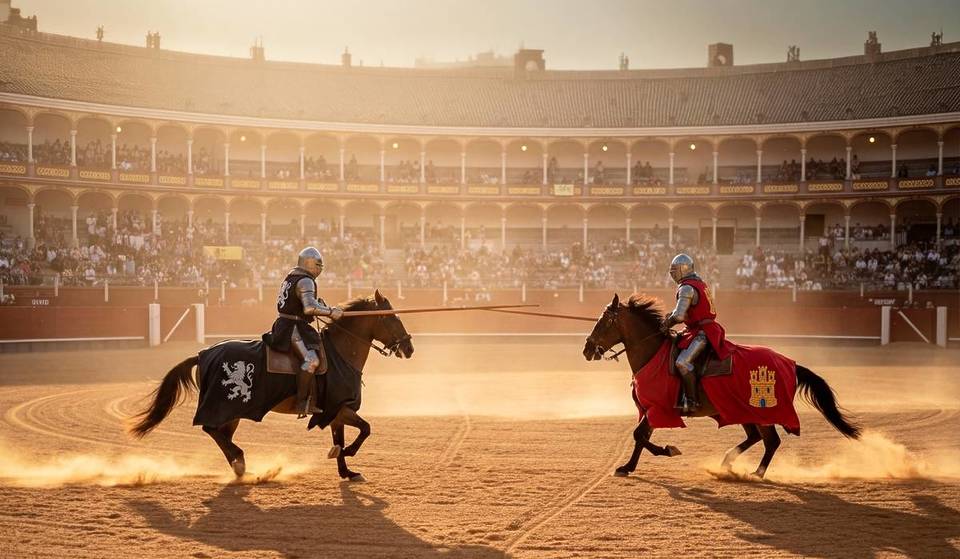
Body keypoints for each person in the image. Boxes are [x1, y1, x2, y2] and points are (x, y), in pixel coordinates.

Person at [268, 247, 344, 418]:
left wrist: (322, 306)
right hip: (293, 327)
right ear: (309, 263)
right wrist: (331, 312)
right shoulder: (305, 280)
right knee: (311, 360)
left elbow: (305, 304)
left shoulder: (292, 277)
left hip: (287, 323)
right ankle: (302, 402)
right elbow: (309, 308)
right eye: (318, 265)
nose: (320, 269)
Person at [660, 253, 729, 413]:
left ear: (683, 269)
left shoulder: (687, 287)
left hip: (703, 333)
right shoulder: (699, 283)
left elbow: (679, 315)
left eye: (675, 271)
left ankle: (692, 401)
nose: (673, 274)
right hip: (697, 329)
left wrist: (667, 323)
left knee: (682, 363)